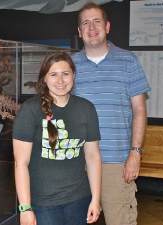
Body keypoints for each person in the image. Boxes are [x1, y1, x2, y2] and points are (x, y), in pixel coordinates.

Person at [72, 3, 151, 225]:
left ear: (107, 26)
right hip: (77, 163)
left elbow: (139, 110)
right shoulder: (70, 66)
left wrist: (135, 153)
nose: (91, 27)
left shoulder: (128, 61)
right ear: (79, 32)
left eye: (96, 21)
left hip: (115, 163)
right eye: (85, 23)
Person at [13, 52, 102, 225]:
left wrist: (96, 199)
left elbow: (93, 157)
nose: (60, 80)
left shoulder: (87, 109)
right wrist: (25, 208)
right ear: (44, 79)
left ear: (74, 76)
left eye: (65, 74)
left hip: (80, 199)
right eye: (53, 74)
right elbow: (20, 163)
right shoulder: (30, 110)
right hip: (43, 203)